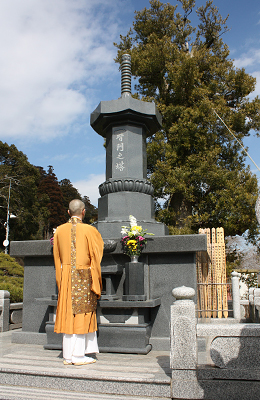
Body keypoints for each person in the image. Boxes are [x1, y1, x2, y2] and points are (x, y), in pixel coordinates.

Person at [53, 199, 103, 366]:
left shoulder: (59, 231)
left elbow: (57, 258)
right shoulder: (90, 230)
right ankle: (79, 356)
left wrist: (61, 277)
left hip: (66, 275)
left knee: (68, 313)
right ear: (83, 212)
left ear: (68, 212)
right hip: (83, 274)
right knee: (82, 313)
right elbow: (97, 254)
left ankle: (68, 355)